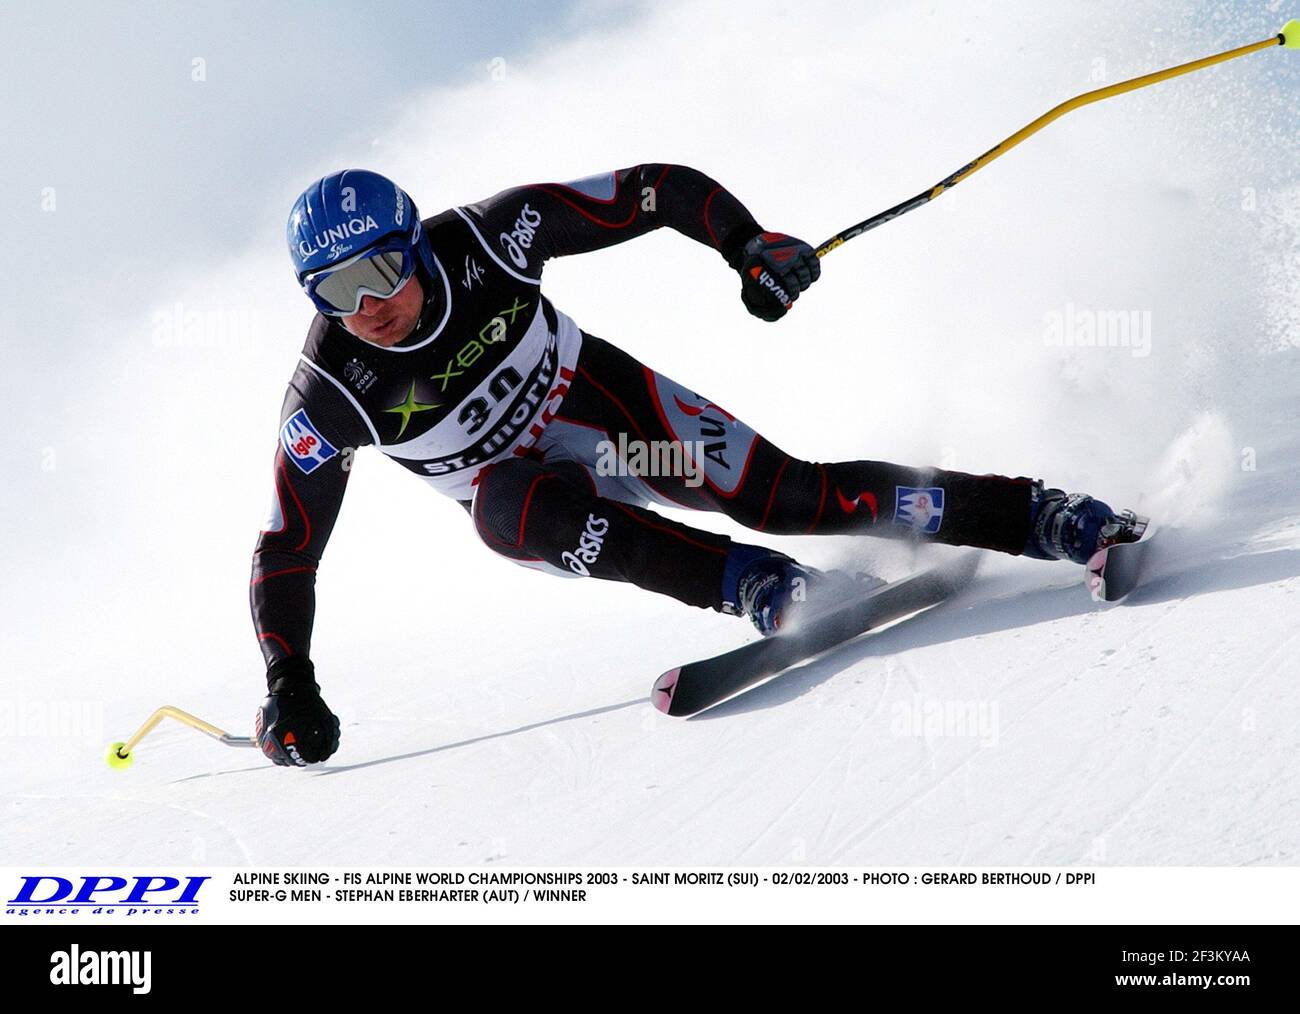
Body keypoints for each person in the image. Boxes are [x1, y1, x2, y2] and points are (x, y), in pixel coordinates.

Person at [252, 166, 1135, 766]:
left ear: (415, 243)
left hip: (607, 416)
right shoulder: (328, 394)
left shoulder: (489, 239)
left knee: (791, 495)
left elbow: (650, 190)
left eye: (378, 271)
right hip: (542, 499)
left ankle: (1040, 516)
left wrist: (748, 247)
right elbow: (289, 546)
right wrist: (289, 681)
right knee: (510, 508)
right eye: (335, 291)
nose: (367, 306)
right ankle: (762, 589)